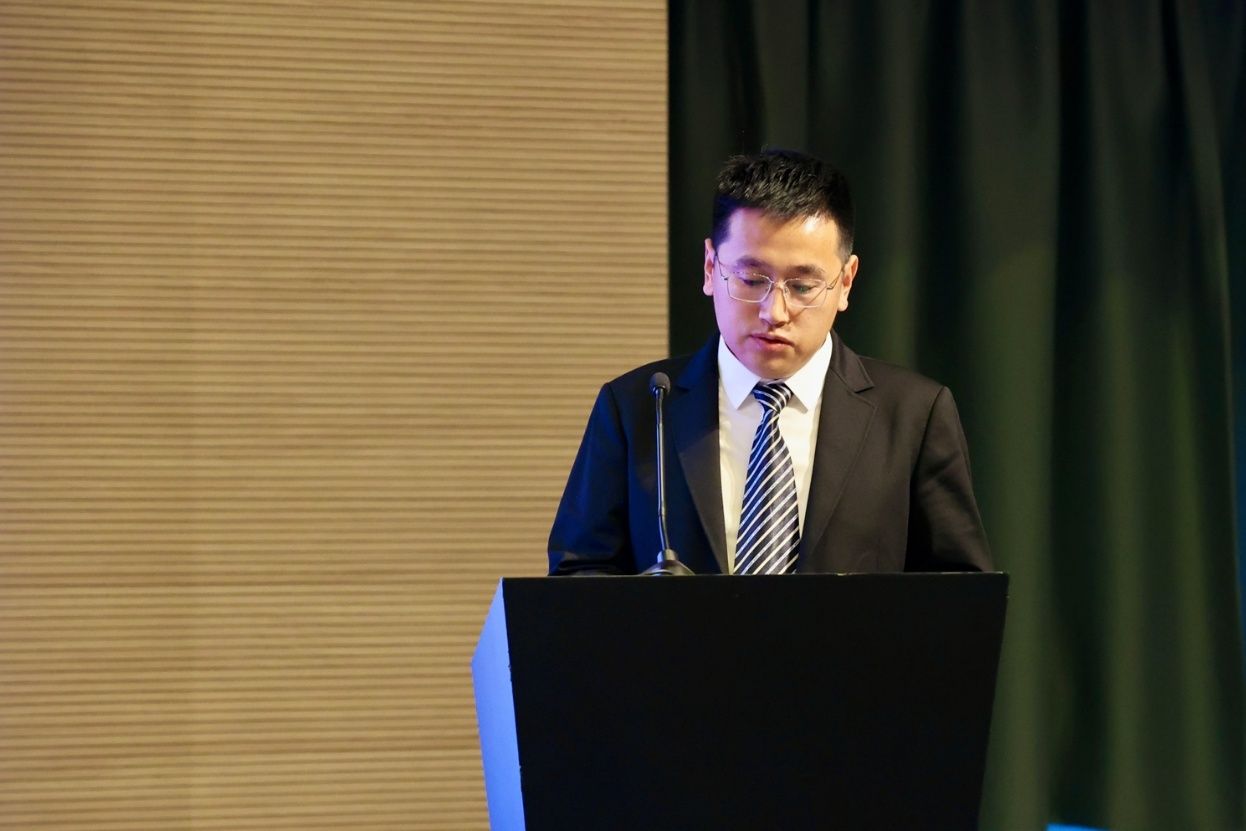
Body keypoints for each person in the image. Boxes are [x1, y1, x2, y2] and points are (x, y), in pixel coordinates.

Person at [548, 149, 992, 575]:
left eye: (802, 287)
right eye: (751, 279)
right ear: (710, 268)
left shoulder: (914, 414)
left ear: (845, 283)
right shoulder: (637, 408)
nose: (774, 312)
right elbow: (580, 573)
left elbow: (960, 591)